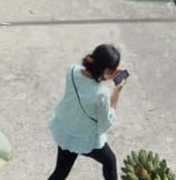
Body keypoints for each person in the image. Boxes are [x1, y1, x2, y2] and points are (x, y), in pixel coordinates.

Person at [48, 44, 127, 180]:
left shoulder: (72, 71)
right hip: (84, 137)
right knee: (110, 161)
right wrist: (117, 93)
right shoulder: (101, 94)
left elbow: (86, 84)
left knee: (60, 173)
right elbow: (104, 125)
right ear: (107, 70)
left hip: (66, 129)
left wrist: (104, 75)